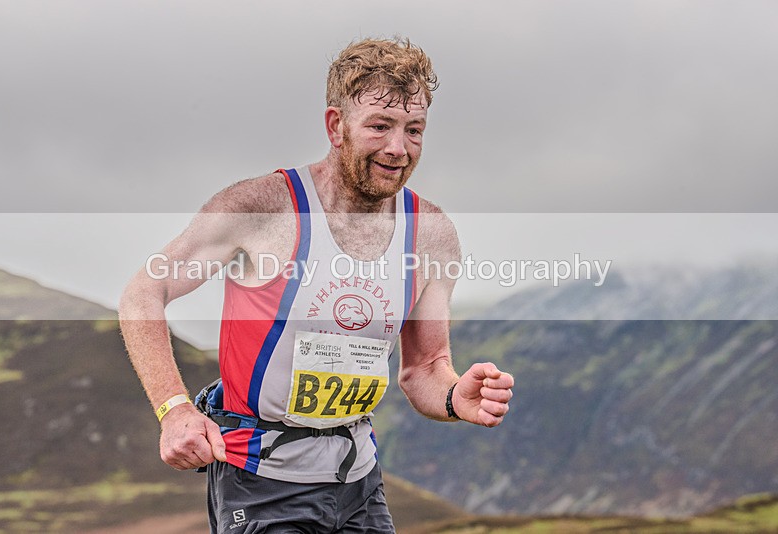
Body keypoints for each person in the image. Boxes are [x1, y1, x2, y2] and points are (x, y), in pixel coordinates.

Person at [119, 37, 514, 533]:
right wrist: (174, 410)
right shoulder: (262, 209)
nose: (399, 147)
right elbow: (143, 292)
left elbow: (425, 368)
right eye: (379, 126)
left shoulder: (431, 234)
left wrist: (458, 397)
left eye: (414, 130)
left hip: (358, 482)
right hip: (261, 481)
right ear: (336, 127)